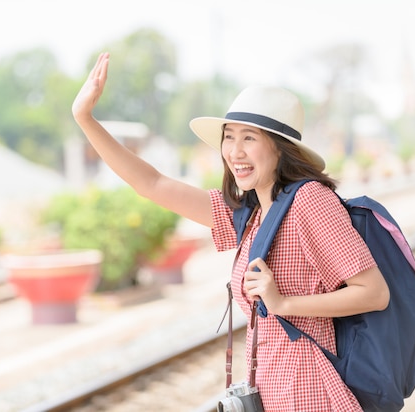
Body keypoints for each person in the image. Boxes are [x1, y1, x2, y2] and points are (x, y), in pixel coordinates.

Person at [72, 52, 390, 411]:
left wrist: (284, 303)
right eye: (229, 137)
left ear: (280, 147)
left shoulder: (310, 201)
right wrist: (85, 120)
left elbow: (374, 293)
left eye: (249, 138)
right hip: (270, 389)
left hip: (309, 392)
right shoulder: (250, 212)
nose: (234, 151)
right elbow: (152, 183)